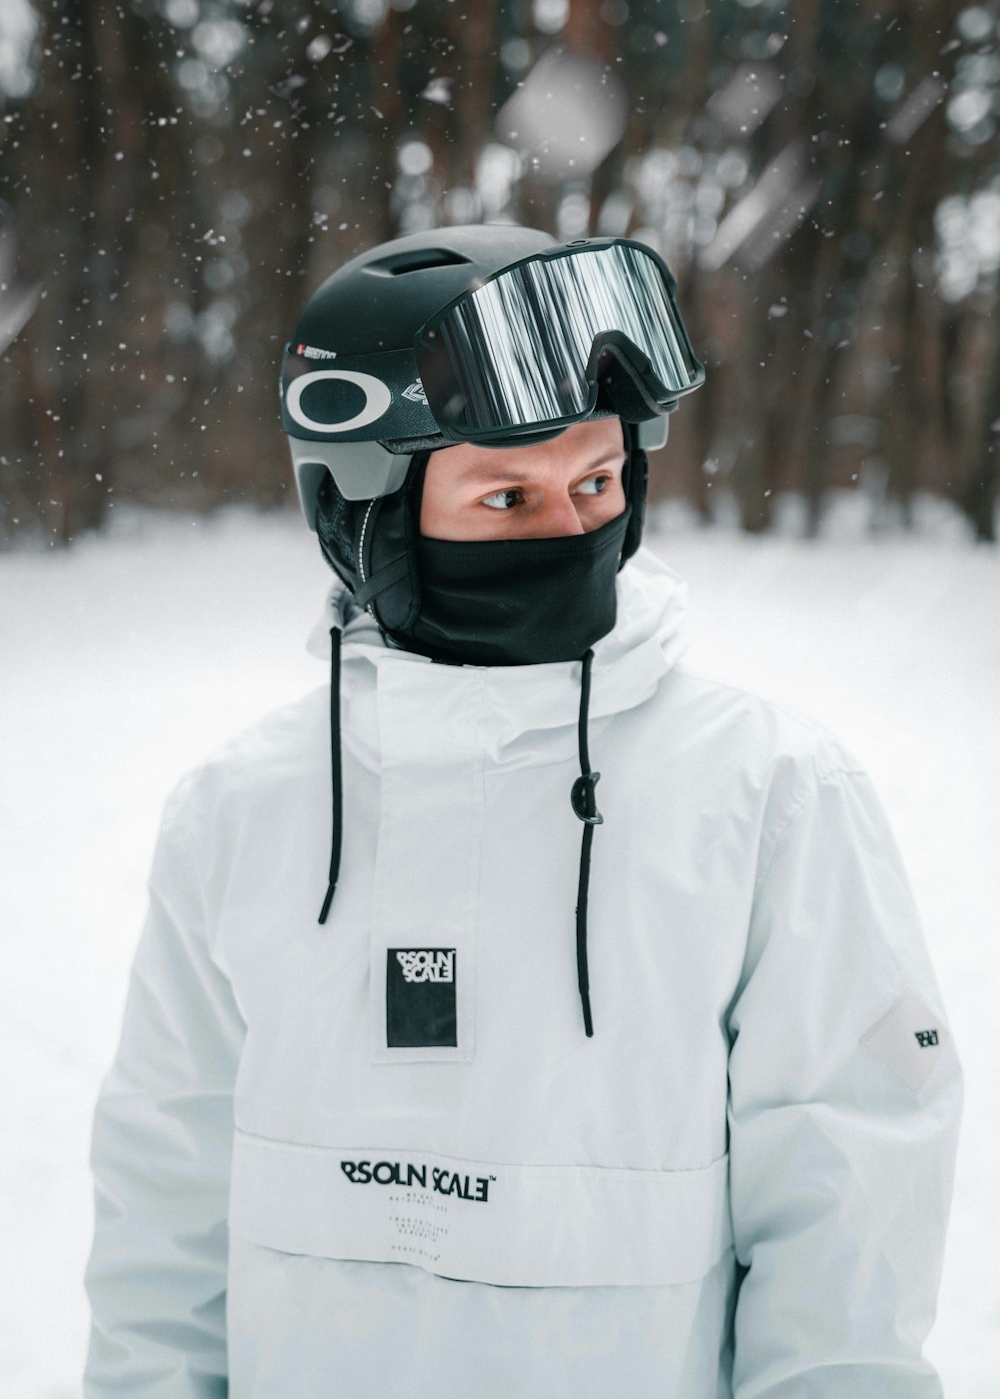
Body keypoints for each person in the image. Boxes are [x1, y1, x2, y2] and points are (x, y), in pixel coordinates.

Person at [85, 225, 962, 1397]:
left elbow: (848, 1209)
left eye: (595, 481)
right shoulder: (239, 812)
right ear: (370, 509)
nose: (569, 534)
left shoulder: (771, 795)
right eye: (505, 496)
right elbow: (164, 1209)